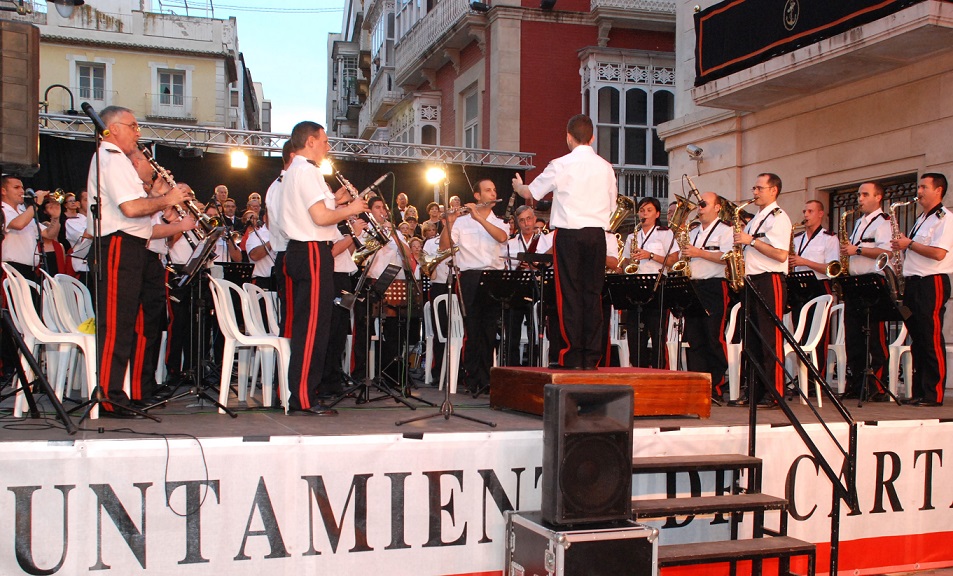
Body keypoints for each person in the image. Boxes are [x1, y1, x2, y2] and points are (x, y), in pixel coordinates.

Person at [87, 105, 189, 416]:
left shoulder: (115, 160)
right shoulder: (111, 156)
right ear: (113, 128)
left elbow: (135, 206)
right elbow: (131, 209)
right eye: (132, 126)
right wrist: (167, 199)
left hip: (130, 244)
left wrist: (157, 195)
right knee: (116, 324)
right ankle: (109, 396)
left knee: (126, 324)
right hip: (119, 244)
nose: (137, 132)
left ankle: (118, 392)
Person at [512, 114, 617, 370]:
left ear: (568, 137)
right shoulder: (605, 167)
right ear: (592, 137)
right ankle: (591, 358)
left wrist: (517, 186)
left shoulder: (560, 164)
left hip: (569, 234)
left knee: (569, 294)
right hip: (597, 234)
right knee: (592, 296)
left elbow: (531, 192)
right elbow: (613, 205)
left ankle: (571, 356)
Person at [277, 121, 366, 415]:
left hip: (302, 250)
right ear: (311, 141)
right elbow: (320, 217)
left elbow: (316, 209)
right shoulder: (309, 170)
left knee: (310, 326)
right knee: (313, 328)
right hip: (312, 251)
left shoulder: (293, 172)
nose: (328, 146)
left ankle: (304, 393)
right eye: (325, 141)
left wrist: (336, 200)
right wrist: (351, 209)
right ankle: (303, 397)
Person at [891, 173, 953, 406]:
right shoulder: (922, 218)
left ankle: (933, 394)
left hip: (931, 282)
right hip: (913, 282)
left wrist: (910, 244)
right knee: (917, 338)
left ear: (938, 190)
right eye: (919, 186)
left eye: (924, 187)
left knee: (930, 337)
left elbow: (938, 253)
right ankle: (918, 391)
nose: (919, 191)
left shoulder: (945, 219)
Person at [441, 178, 508, 391]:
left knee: (489, 330)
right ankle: (472, 378)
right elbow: (445, 247)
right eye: (487, 190)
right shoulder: (461, 222)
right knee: (473, 329)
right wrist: (449, 223)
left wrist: (479, 218)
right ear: (477, 196)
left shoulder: (499, 221)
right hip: (469, 277)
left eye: (494, 190)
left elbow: (502, 237)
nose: (492, 193)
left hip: (493, 278)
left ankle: (487, 378)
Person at [733, 173, 792, 407]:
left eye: (759, 188)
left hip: (770, 280)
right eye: (754, 187)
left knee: (770, 338)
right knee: (753, 340)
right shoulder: (757, 217)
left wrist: (751, 241)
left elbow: (780, 254)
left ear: (774, 190)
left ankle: (775, 392)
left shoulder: (779, 217)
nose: (754, 192)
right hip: (751, 279)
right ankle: (755, 391)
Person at [840, 182, 892, 400]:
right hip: (855, 281)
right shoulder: (860, 222)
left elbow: (886, 253)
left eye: (865, 194)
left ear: (878, 197)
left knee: (875, 337)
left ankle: (877, 386)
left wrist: (857, 250)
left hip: (873, 283)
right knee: (854, 335)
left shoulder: (885, 223)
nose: (860, 199)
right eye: (859, 195)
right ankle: (857, 383)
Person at [679, 192, 733, 398]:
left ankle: (715, 385)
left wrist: (699, 253)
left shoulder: (726, 230)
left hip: (714, 286)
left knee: (712, 336)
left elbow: (728, 258)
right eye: (699, 204)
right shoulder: (693, 232)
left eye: (704, 204)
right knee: (694, 338)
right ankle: (697, 384)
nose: (699, 207)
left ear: (717, 207)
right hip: (694, 286)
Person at [619, 197, 678, 368]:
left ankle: (660, 372)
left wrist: (650, 255)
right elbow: (626, 263)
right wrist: (627, 265)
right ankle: (638, 369)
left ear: (657, 214)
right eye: (642, 210)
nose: (644, 214)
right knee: (635, 335)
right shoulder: (632, 235)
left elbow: (673, 261)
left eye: (649, 210)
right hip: (636, 287)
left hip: (657, 286)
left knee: (657, 334)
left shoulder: (665, 233)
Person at [788, 199, 839, 382]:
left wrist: (805, 262)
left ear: (820, 214)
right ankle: (801, 377)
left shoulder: (829, 238)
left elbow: (832, 268)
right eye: (804, 211)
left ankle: (817, 378)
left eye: (810, 211)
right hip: (798, 287)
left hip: (818, 286)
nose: (806, 215)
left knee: (817, 334)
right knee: (800, 333)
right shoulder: (796, 238)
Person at [1, 176, 59, 284]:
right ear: (3, 191)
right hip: (12, 268)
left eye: (22, 187)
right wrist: (35, 204)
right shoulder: (3, 210)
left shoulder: (24, 211)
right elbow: (19, 224)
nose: (22, 191)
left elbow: (49, 234)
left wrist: (55, 217)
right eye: (16, 187)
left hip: (30, 269)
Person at [502, 205, 538, 365]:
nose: (526, 223)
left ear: (535, 219)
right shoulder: (510, 243)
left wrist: (537, 266)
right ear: (518, 223)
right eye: (522, 220)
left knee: (536, 332)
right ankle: (512, 366)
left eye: (529, 219)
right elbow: (505, 266)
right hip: (515, 289)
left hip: (537, 289)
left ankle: (535, 365)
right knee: (512, 332)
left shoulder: (544, 241)